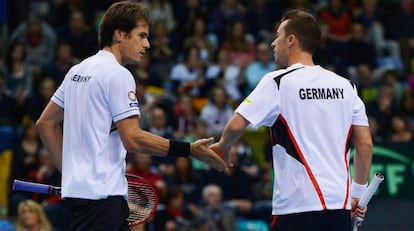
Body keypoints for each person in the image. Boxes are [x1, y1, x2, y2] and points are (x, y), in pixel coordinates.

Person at [35, 1, 227, 230]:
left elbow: (46, 124)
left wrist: (70, 172)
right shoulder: (118, 74)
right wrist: (188, 149)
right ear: (119, 34)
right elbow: (133, 138)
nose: (147, 44)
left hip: (89, 198)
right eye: (141, 36)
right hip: (102, 201)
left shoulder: (77, 70)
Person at [210, 9, 373, 231]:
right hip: (339, 205)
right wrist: (357, 194)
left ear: (291, 40)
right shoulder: (347, 86)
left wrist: (224, 146)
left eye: (277, 35)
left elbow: (236, 124)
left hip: (296, 206)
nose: (272, 43)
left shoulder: (277, 82)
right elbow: (365, 144)